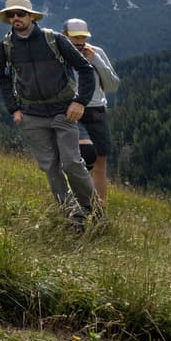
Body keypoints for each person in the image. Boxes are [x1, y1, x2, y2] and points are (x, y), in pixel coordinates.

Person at [0, 0, 101, 232]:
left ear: (31, 16)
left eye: (21, 14)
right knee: (50, 167)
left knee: (72, 162)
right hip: (31, 114)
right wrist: (14, 108)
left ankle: (95, 211)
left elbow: (84, 69)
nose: (16, 19)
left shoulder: (54, 40)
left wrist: (80, 102)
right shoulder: (6, 46)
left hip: (63, 110)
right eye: (11, 15)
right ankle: (73, 218)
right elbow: (3, 78)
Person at [63, 17, 120, 203]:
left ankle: (99, 210)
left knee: (100, 163)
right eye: (75, 38)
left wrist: (96, 60)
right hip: (72, 110)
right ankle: (79, 202)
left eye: (83, 38)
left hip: (96, 111)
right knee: (83, 155)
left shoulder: (97, 53)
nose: (80, 42)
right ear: (64, 35)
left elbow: (112, 85)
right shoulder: (59, 54)